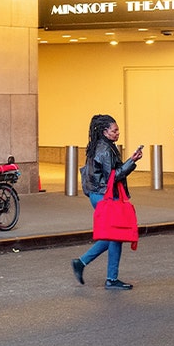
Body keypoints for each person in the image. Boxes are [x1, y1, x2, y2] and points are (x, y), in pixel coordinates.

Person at [72, 114, 144, 290]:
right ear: (105, 131)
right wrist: (132, 161)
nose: (118, 133)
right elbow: (113, 175)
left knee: (113, 235)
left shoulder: (101, 145)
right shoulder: (104, 149)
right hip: (105, 195)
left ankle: (85, 264)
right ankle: (107, 277)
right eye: (115, 130)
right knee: (116, 235)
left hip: (100, 194)